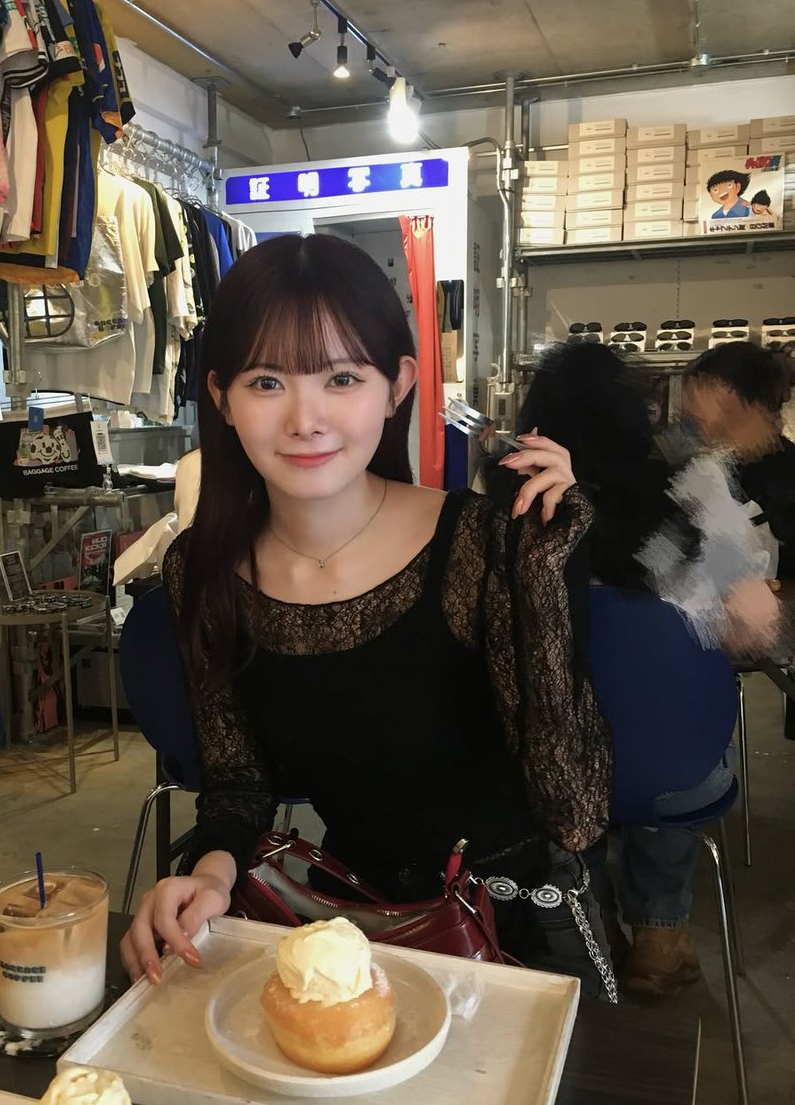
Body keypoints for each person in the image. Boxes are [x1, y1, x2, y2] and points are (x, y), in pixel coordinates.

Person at [121, 234, 614, 997]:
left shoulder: (486, 544)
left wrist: (546, 579)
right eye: (266, 382)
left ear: (397, 386)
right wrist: (211, 874)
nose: (305, 420)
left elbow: (574, 815)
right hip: (355, 924)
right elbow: (238, 780)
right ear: (220, 397)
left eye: (342, 378)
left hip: (517, 929)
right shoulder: (204, 568)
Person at [507, 342, 778, 996]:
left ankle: (591, 920)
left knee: (565, 758)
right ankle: (660, 939)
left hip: (552, 776)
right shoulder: (691, 491)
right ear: (637, 414)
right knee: (667, 736)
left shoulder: (504, 513)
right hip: (677, 772)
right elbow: (755, 624)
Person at [683, 341, 795, 577]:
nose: (689, 408)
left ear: (732, 396)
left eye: (699, 392)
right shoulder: (715, 469)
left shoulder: (784, 476)